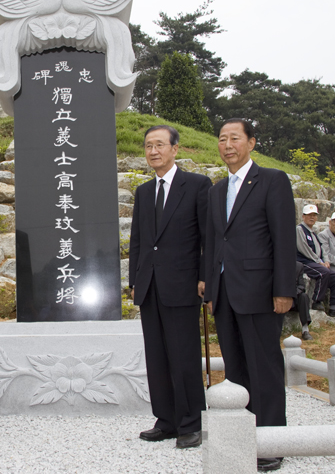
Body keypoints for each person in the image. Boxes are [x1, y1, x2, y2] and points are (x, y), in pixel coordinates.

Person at [204, 119, 295, 472]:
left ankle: (271, 441)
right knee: (236, 367)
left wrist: (284, 290)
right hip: (225, 292)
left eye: (235, 139)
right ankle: (242, 434)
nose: (227, 145)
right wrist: (211, 288)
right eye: (222, 139)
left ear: (251, 142)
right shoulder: (216, 190)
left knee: (265, 366)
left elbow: (283, 238)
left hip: (260, 290)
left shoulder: (272, 181)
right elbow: (213, 243)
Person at [129, 125, 211, 450]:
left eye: (160, 145)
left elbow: (208, 239)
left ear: (175, 149)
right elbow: (138, 241)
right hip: (150, 287)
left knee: (184, 356)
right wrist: (135, 280)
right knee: (158, 357)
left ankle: (191, 422)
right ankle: (165, 420)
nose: (153, 151)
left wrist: (205, 278)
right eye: (148, 146)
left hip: (183, 285)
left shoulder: (197, 186)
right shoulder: (144, 192)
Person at [295, 204, 335, 317]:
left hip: (314, 262)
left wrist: (326, 261)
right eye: (309, 215)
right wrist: (318, 261)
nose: (312, 218)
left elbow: (321, 249)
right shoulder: (299, 229)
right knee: (323, 272)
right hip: (304, 262)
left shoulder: (313, 232)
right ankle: (317, 301)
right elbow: (304, 249)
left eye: (314, 215)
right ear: (303, 216)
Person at [293, 262, 313, 340]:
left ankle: (305, 329)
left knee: (304, 296)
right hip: (280, 298)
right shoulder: (275, 264)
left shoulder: (298, 266)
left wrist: (292, 295)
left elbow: (301, 286)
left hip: (294, 297)